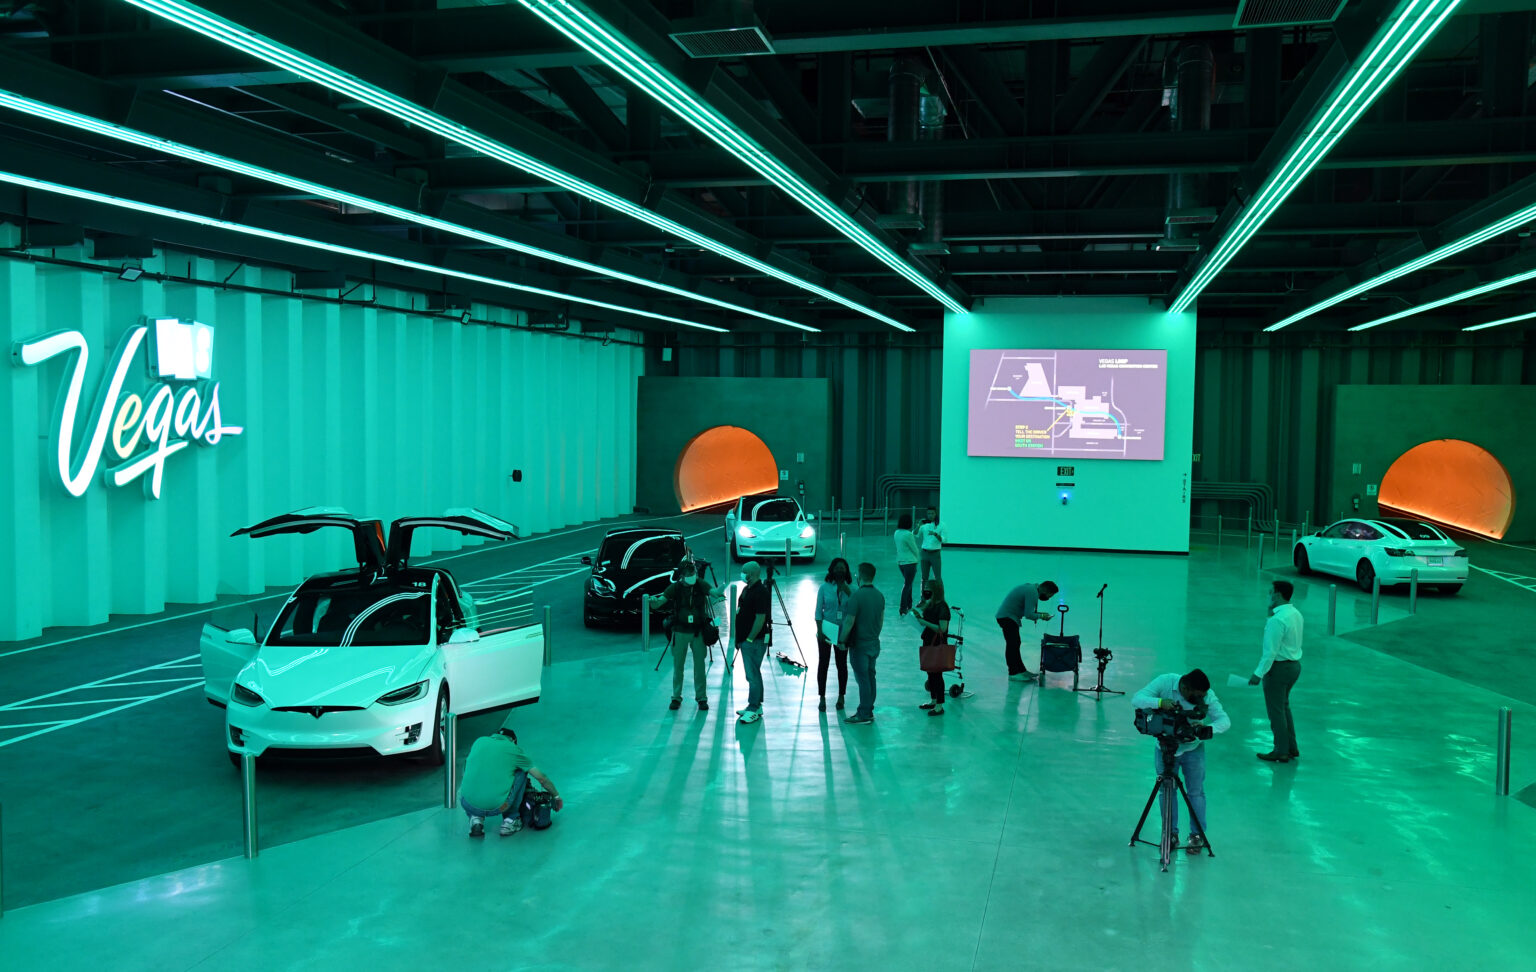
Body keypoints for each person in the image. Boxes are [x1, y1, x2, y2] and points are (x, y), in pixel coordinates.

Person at [1130, 670, 1230, 852]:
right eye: (1197, 696)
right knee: (1166, 791)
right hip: (1165, 748)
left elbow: (1224, 720)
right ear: (1184, 688)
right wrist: (1160, 702)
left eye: (1203, 695)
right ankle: (1170, 834)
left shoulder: (1207, 695)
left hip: (1193, 750)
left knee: (1196, 793)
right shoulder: (1166, 682)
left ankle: (1197, 836)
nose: (1201, 698)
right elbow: (1137, 699)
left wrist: (1206, 729)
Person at [459, 719, 563, 838]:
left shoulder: (479, 741)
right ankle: (510, 820)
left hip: (467, 803)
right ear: (513, 741)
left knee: (472, 765)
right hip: (499, 807)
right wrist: (556, 796)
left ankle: (475, 818)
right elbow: (542, 778)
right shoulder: (514, 749)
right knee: (521, 771)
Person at [652, 562, 722, 713]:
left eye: (694, 574)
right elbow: (660, 601)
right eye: (689, 575)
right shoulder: (675, 588)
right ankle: (676, 697)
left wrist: (719, 591)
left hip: (698, 631)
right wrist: (653, 602)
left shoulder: (700, 584)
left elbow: (713, 592)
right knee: (678, 667)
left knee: (700, 666)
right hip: (680, 631)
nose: (693, 577)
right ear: (682, 576)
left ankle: (702, 698)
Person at [1249, 579, 1303, 763]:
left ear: (1278, 594)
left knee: (1275, 712)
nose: (1268, 595)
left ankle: (1281, 750)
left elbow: (1270, 651)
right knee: (1284, 707)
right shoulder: (1294, 613)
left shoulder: (1277, 620)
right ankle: (1291, 746)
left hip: (1278, 669)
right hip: (1294, 666)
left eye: (1270, 592)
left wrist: (1258, 673)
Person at [839, 562, 885, 725]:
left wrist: (842, 640)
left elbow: (849, 622)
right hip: (873, 643)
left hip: (859, 645)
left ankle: (864, 712)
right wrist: (874, 636)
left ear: (859, 576)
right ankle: (869, 709)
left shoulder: (856, 597)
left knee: (862, 679)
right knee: (871, 676)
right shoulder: (879, 596)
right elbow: (880, 621)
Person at [733, 561, 772, 725]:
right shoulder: (746, 590)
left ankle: (754, 707)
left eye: (745, 571)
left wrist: (749, 638)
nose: (742, 574)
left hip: (754, 641)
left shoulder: (761, 592)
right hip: (744, 639)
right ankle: (754, 705)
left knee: (752, 674)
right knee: (753, 673)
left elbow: (760, 618)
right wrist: (739, 638)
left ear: (753, 573)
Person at [996, 581, 1058, 680]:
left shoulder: (1032, 589)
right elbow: (1029, 615)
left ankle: (1021, 670)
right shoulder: (1032, 592)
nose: (1049, 598)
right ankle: (1013, 673)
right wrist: (1042, 616)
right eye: (1050, 595)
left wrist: (1041, 614)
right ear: (1046, 590)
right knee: (1012, 645)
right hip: (1007, 617)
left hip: (1009, 617)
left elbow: (1027, 612)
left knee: (1015, 644)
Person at [814, 558, 853, 712]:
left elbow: (854, 607)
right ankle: (822, 697)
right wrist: (820, 630)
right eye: (837, 568)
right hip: (827, 629)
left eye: (842, 568)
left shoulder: (852, 588)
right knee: (823, 663)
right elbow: (818, 611)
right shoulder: (824, 588)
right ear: (832, 570)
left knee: (841, 664)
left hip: (843, 631)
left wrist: (847, 591)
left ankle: (841, 696)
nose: (839, 571)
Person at [912, 578, 952, 716]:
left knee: (937, 674)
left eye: (928, 588)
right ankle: (934, 700)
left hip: (937, 644)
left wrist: (923, 621)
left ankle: (939, 705)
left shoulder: (943, 608)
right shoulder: (931, 605)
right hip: (928, 641)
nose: (925, 591)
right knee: (930, 672)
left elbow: (942, 628)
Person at [893, 515, 920, 615]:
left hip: (900, 562)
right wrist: (917, 558)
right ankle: (903, 607)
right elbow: (914, 549)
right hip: (910, 562)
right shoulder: (908, 534)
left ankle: (909, 605)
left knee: (908, 584)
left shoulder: (897, 533)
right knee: (907, 585)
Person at [915, 506, 946, 586]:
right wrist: (918, 526)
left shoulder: (942, 525)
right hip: (924, 553)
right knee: (924, 577)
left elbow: (944, 540)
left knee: (938, 577)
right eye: (928, 513)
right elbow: (915, 534)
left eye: (932, 513)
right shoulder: (924, 525)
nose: (930, 515)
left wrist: (935, 534)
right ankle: (923, 597)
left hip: (935, 554)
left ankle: (940, 597)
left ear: (936, 514)